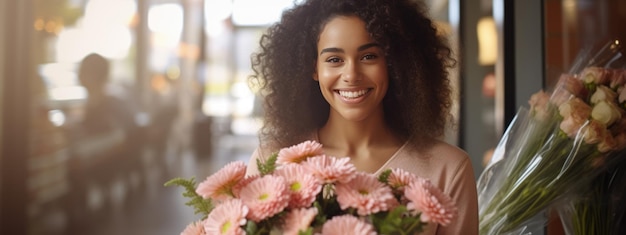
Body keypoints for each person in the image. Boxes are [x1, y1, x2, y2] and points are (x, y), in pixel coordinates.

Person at [246, 0, 478, 234]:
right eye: (335, 60)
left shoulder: (448, 169)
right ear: (314, 68)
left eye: (368, 56)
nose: (352, 75)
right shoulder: (271, 161)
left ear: (393, 64)